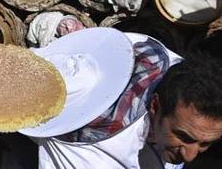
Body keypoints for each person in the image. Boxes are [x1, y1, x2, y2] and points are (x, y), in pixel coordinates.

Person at [29, 30, 222, 169]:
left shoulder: (178, 73)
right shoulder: (94, 143)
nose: (190, 156)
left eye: (205, 144)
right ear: (155, 106)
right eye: (184, 137)